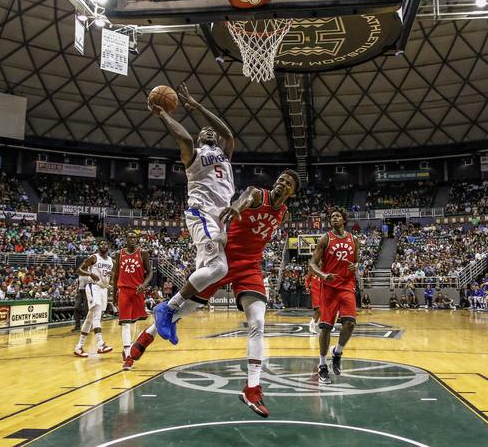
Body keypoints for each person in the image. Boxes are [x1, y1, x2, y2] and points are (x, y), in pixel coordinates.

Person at [130, 171, 298, 417]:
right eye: (280, 179)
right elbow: (241, 202)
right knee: (186, 309)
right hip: (225, 258)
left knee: (258, 321)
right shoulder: (255, 193)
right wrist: (235, 208)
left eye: (288, 184)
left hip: (250, 266)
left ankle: (252, 389)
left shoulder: (284, 213)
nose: (281, 183)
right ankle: (147, 335)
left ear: (291, 193)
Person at [150, 83, 236, 345]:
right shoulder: (194, 154)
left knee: (208, 281)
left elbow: (228, 134)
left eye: (211, 132)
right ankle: (167, 308)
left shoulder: (224, 152)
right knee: (218, 267)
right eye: (204, 132)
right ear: (200, 140)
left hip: (219, 220)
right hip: (202, 213)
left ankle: (171, 318)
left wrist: (198, 107)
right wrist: (163, 114)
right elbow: (185, 139)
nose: (209, 132)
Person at [309, 207, 358, 385]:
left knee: (350, 323)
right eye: (331, 217)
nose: (334, 218)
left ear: (344, 220)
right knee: (326, 328)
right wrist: (323, 275)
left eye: (337, 216)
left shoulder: (354, 239)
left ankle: (337, 352)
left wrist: (355, 267)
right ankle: (322, 365)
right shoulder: (325, 238)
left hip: (346, 285)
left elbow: (356, 261)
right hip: (329, 287)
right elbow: (312, 263)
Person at [116, 231, 152, 370]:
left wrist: (144, 285)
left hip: (137, 291)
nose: (132, 239)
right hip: (123, 290)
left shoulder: (143, 253)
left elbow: (150, 272)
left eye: (134, 237)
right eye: (130, 237)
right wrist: (114, 293)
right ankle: (129, 357)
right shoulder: (119, 254)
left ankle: (128, 347)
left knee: (134, 322)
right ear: (125, 239)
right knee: (125, 323)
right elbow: (116, 274)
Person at [73, 240, 114, 357]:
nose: (103, 245)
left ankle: (79, 347)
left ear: (109, 246)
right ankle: (101, 344)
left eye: (105, 244)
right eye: (101, 244)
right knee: (96, 315)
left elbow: (113, 276)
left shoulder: (111, 261)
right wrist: (90, 274)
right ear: (98, 247)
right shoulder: (93, 258)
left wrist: (111, 281)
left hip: (103, 289)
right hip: (93, 287)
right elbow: (78, 270)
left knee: (90, 318)